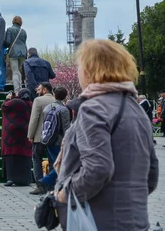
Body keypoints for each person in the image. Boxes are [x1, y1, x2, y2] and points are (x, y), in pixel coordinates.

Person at [54, 39, 158, 230]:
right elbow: (151, 175)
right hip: (136, 222)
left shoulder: (94, 109)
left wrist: (63, 195)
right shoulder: (136, 110)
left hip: (100, 222)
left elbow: (98, 169)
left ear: (89, 69)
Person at [38, 86, 70, 192]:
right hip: (59, 142)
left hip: (47, 139)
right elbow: (66, 128)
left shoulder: (47, 108)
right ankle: (45, 181)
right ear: (65, 97)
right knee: (61, 164)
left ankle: (51, 185)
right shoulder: (64, 110)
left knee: (55, 163)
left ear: (54, 95)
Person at [27, 82, 55, 195]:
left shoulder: (38, 101)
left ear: (44, 90)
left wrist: (30, 135)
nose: (37, 91)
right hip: (53, 137)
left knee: (37, 160)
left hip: (39, 136)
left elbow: (34, 119)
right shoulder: (56, 100)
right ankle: (51, 184)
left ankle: (40, 185)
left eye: (39, 89)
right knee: (53, 161)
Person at [1, 88, 33, 187]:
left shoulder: (15, 102)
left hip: (11, 134)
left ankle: (12, 178)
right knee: (23, 157)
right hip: (25, 132)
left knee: (12, 156)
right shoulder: (30, 103)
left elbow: (4, 107)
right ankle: (24, 179)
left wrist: (7, 98)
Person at [4, 16, 27, 92]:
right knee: (18, 70)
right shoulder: (23, 31)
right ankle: (20, 88)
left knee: (15, 71)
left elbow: (7, 42)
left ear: (13, 21)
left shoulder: (10, 30)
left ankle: (17, 90)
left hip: (13, 52)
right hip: (23, 52)